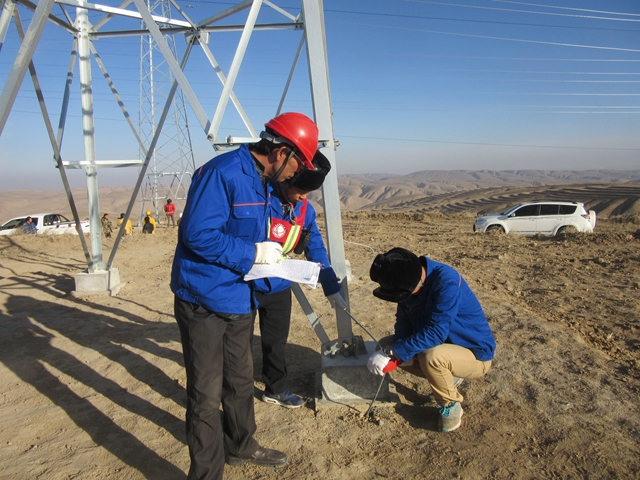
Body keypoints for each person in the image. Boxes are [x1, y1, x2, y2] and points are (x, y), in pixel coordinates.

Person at [170, 112, 319, 480]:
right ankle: (207, 473)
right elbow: (198, 235)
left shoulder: (268, 185)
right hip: (202, 299)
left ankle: (241, 444)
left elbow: (275, 227)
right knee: (205, 396)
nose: (295, 175)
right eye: (297, 164)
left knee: (239, 380)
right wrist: (252, 254)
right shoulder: (222, 174)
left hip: (240, 298)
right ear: (281, 152)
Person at [254, 152, 347, 408]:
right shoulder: (260, 200)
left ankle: (275, 388)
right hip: (247, 284)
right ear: (285, 181)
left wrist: (330, 286)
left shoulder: (305, 210)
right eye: (300, 191)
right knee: (236, 343)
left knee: (275, 341)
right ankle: (233, 391)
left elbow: (315, 246)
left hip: (279, 285)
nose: (304, 197)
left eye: (308, 192)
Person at [367, 247, 496, 433]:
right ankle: (449, 375)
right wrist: (396, 349)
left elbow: (436, 333)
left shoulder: (447, 283)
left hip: (474, 353)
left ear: (415, 285)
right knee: (385, 344)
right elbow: (404, 322)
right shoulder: (409, 282)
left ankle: (451, 405)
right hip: (442, 346)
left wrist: (394, 352)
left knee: (432, 357)